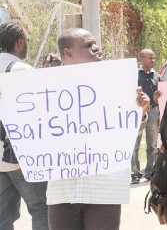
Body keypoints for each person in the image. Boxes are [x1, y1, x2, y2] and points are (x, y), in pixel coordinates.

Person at [47, 28, 150, 230]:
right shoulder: (47, 88)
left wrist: (141, 112)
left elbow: (126, 132)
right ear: (68, 53)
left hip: (103, 189)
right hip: (62, 190)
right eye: (87, 45)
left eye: (95, 44)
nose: (96, 49)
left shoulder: (117, 83)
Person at [0, 21, 48, 230]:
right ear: (19, 43)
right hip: (21, 156)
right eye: (27, 41)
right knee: (41, 209)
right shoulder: (20, 69)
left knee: (2, 216)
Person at [131, 49, 162, 184]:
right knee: (134, 144)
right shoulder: (134, 75)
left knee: (152, 144)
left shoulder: (158, 76)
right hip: (138, 112)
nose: (153, 60)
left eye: (154, 58)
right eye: (150, 58)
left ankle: (149, 172)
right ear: (142, 59)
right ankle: (135, 173)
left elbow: (161, 95)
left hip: (154, 111)